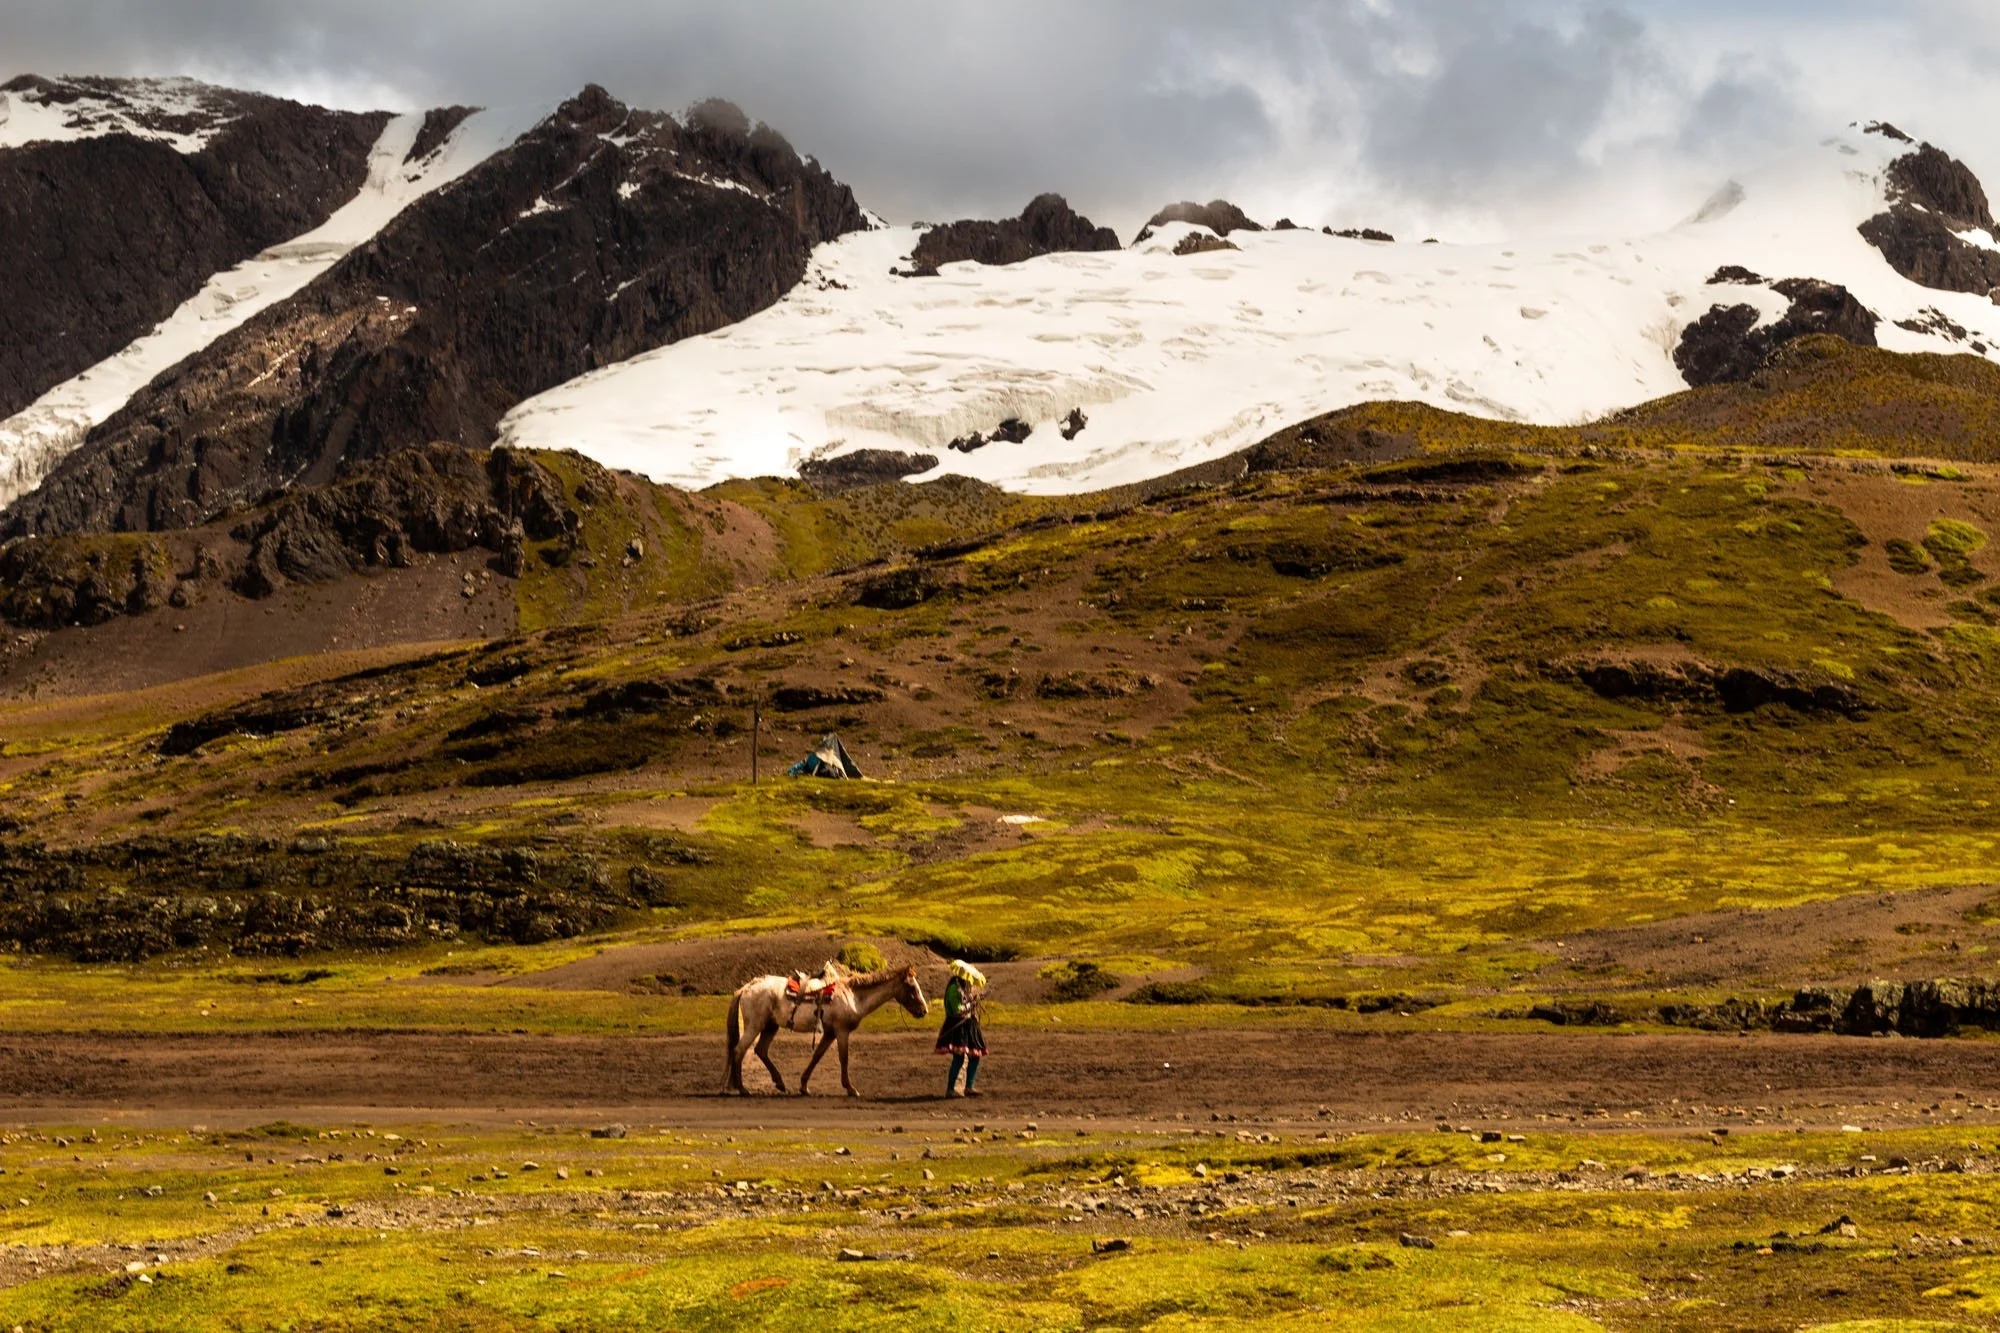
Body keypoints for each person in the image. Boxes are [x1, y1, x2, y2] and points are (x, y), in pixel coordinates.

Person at [936, 959, 987, 1097]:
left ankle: (969, 1087)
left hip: (968, 1025)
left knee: (975, 1056)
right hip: (958, 1027)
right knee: (959, 1058)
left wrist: (973, 1000)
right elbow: (958, 1010)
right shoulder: (954, 989)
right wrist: (972, 1004)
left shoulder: (963, 989)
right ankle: (950, 1089)